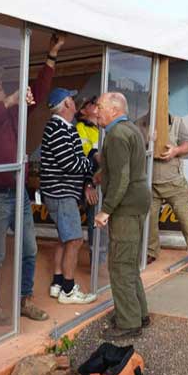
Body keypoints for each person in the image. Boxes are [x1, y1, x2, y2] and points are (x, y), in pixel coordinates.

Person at [0, 33, 64, 325]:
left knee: (29, 249)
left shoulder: (8, 113)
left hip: (16, 192)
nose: (0, 84)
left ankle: (24, 300)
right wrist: (11, 100)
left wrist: (51, 56)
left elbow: (39, 91)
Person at [94, 92, 151, 340]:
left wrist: (105, 210)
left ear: (114, 110)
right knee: (128, 263)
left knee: (120, 266)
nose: (95, 111)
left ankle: (128, 323)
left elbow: (121, 178)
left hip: (125, 208)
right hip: (136, 203)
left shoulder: (116, 135)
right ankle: (139, 313)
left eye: (99, 107)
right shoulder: (131, 129)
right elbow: (122, 170)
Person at [40, 88, 98, 305]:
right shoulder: (57, 128)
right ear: (65, 104)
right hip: (61, 193)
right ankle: (68, 289)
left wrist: (85, 163)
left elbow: (76, 159)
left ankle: (57, 283)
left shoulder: (65, 127)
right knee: (75, 240)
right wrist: (92, 162)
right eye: (71, 99)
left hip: (62, 193)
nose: (75, 102)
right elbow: (70, 163)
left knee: (65, 239)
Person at [147, 115, 188, 268]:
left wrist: (176, 150)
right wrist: (147, 142)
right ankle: (151, 252)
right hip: (151, 184)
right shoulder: (142, 123)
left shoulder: (176, 122)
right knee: (149, 219)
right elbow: (134, 149)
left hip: (174, 184)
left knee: (185, 218)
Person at [75, 95, 108, 265]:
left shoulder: (104, 127)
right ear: (83, 110)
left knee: (106, 223)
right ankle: (98, 264)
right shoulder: (80, 128)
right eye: (92, 103)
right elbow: (86, 158)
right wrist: (88, 184)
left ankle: (105, 261)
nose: (97, 105)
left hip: (107, 181)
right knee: (96, 223)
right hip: (94, 183)